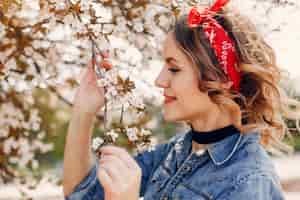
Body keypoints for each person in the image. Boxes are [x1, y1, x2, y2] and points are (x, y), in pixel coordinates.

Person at [62, 0, 289, 199]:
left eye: (174, 68)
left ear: (220, 78)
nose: (159, 80)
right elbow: (81, 195)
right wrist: (84, 109)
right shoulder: (176, 152)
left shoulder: (248, 182)